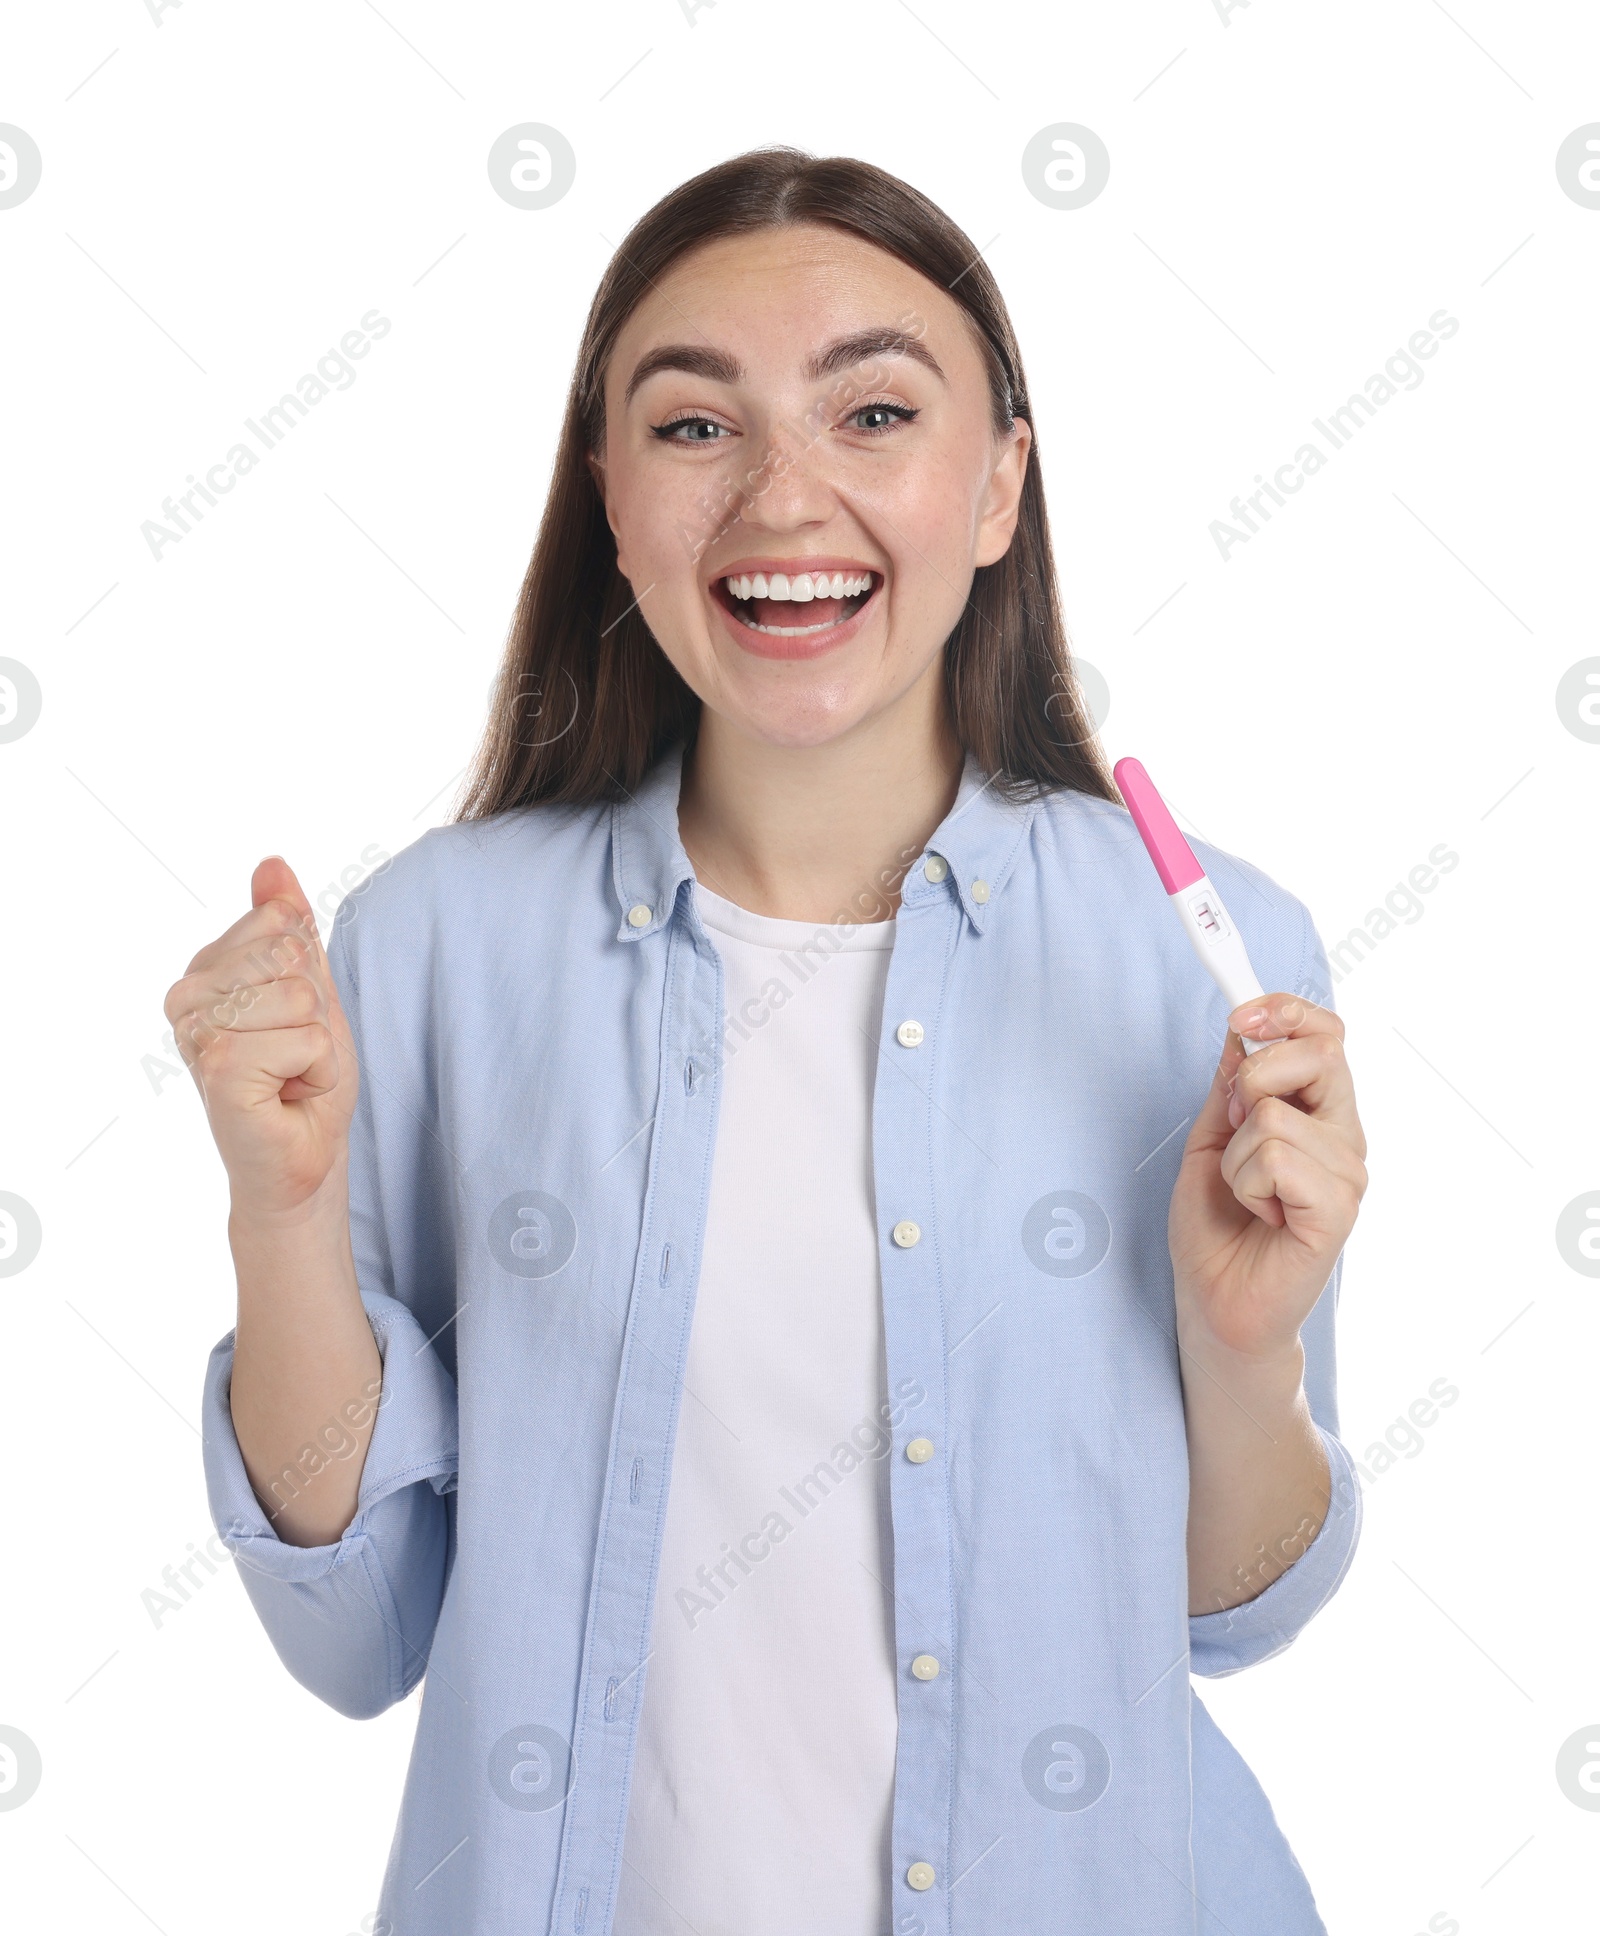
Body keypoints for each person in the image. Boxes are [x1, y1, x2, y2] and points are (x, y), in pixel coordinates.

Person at [169, 147, 1368, 1936]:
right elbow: (360, 1638)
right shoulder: (431, 947)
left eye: (875, 410)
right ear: (609, 492)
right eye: (695, 428)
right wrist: (281, 1210)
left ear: (997, 489)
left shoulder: (1210, 957)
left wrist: (1241, 1358)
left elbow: (1232, 1613)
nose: (784, 498)